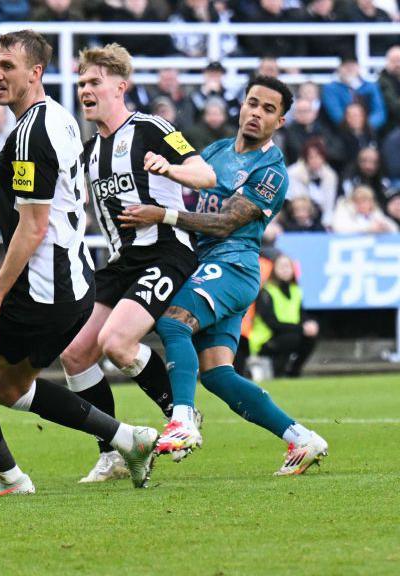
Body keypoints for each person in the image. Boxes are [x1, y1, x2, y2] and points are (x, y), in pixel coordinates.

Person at [0, 30, 160, 497]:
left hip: (41, 292)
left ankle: (9, 479)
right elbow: (55, 196)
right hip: (73, 289)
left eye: (7, 67)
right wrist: (9, 197)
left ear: (35, 73)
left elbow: (34, 230)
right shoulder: (56, 117)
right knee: (5, 388)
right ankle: (127, 439)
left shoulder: (31, 132)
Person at [119, 75, 329, 476]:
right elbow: (179, 182)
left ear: (281, 122)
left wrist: (164, 215)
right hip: (204, 265)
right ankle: (301, 438)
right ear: (242, 106)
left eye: (269, 110)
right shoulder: (214, 151)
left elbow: (224, 223)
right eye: (253, 103)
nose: (257, 113)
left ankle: (182, 421)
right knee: (216, 373)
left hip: (234, 264)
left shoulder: (272, 172)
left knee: (173, 321)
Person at [63, 43, 217, 483]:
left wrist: (170, 170)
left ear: (120, 87)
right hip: (122, 260)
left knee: (116, 343)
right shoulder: (91, 150)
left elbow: (205, 175)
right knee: (75, 355)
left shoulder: (151, 128)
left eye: (94, 82)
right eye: (81, 84)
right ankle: (113, 448)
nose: (85, 90)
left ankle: (181, 416)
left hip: (167, 251)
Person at [250, 254, 319, 378]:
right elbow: (271, 322)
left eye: (288, 266)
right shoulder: (267, 291)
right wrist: (300, 328)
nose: (285, 270)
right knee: (292, 338)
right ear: (274, 269)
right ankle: (278, 372)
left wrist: (309, 324)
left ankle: (294, 372)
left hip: (289, 333)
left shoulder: (295, 290)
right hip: (266, 339)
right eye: (281, 267)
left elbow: (302, 315)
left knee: (309, 337)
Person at [331, 184, 399, 233]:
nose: (362, 205)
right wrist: (368, 229)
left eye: (365, 201)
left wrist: (386, 228)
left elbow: (394, 229)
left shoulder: (376, 213)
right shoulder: (346, 211)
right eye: (358, 201)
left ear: (371, 203)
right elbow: (340, 229)